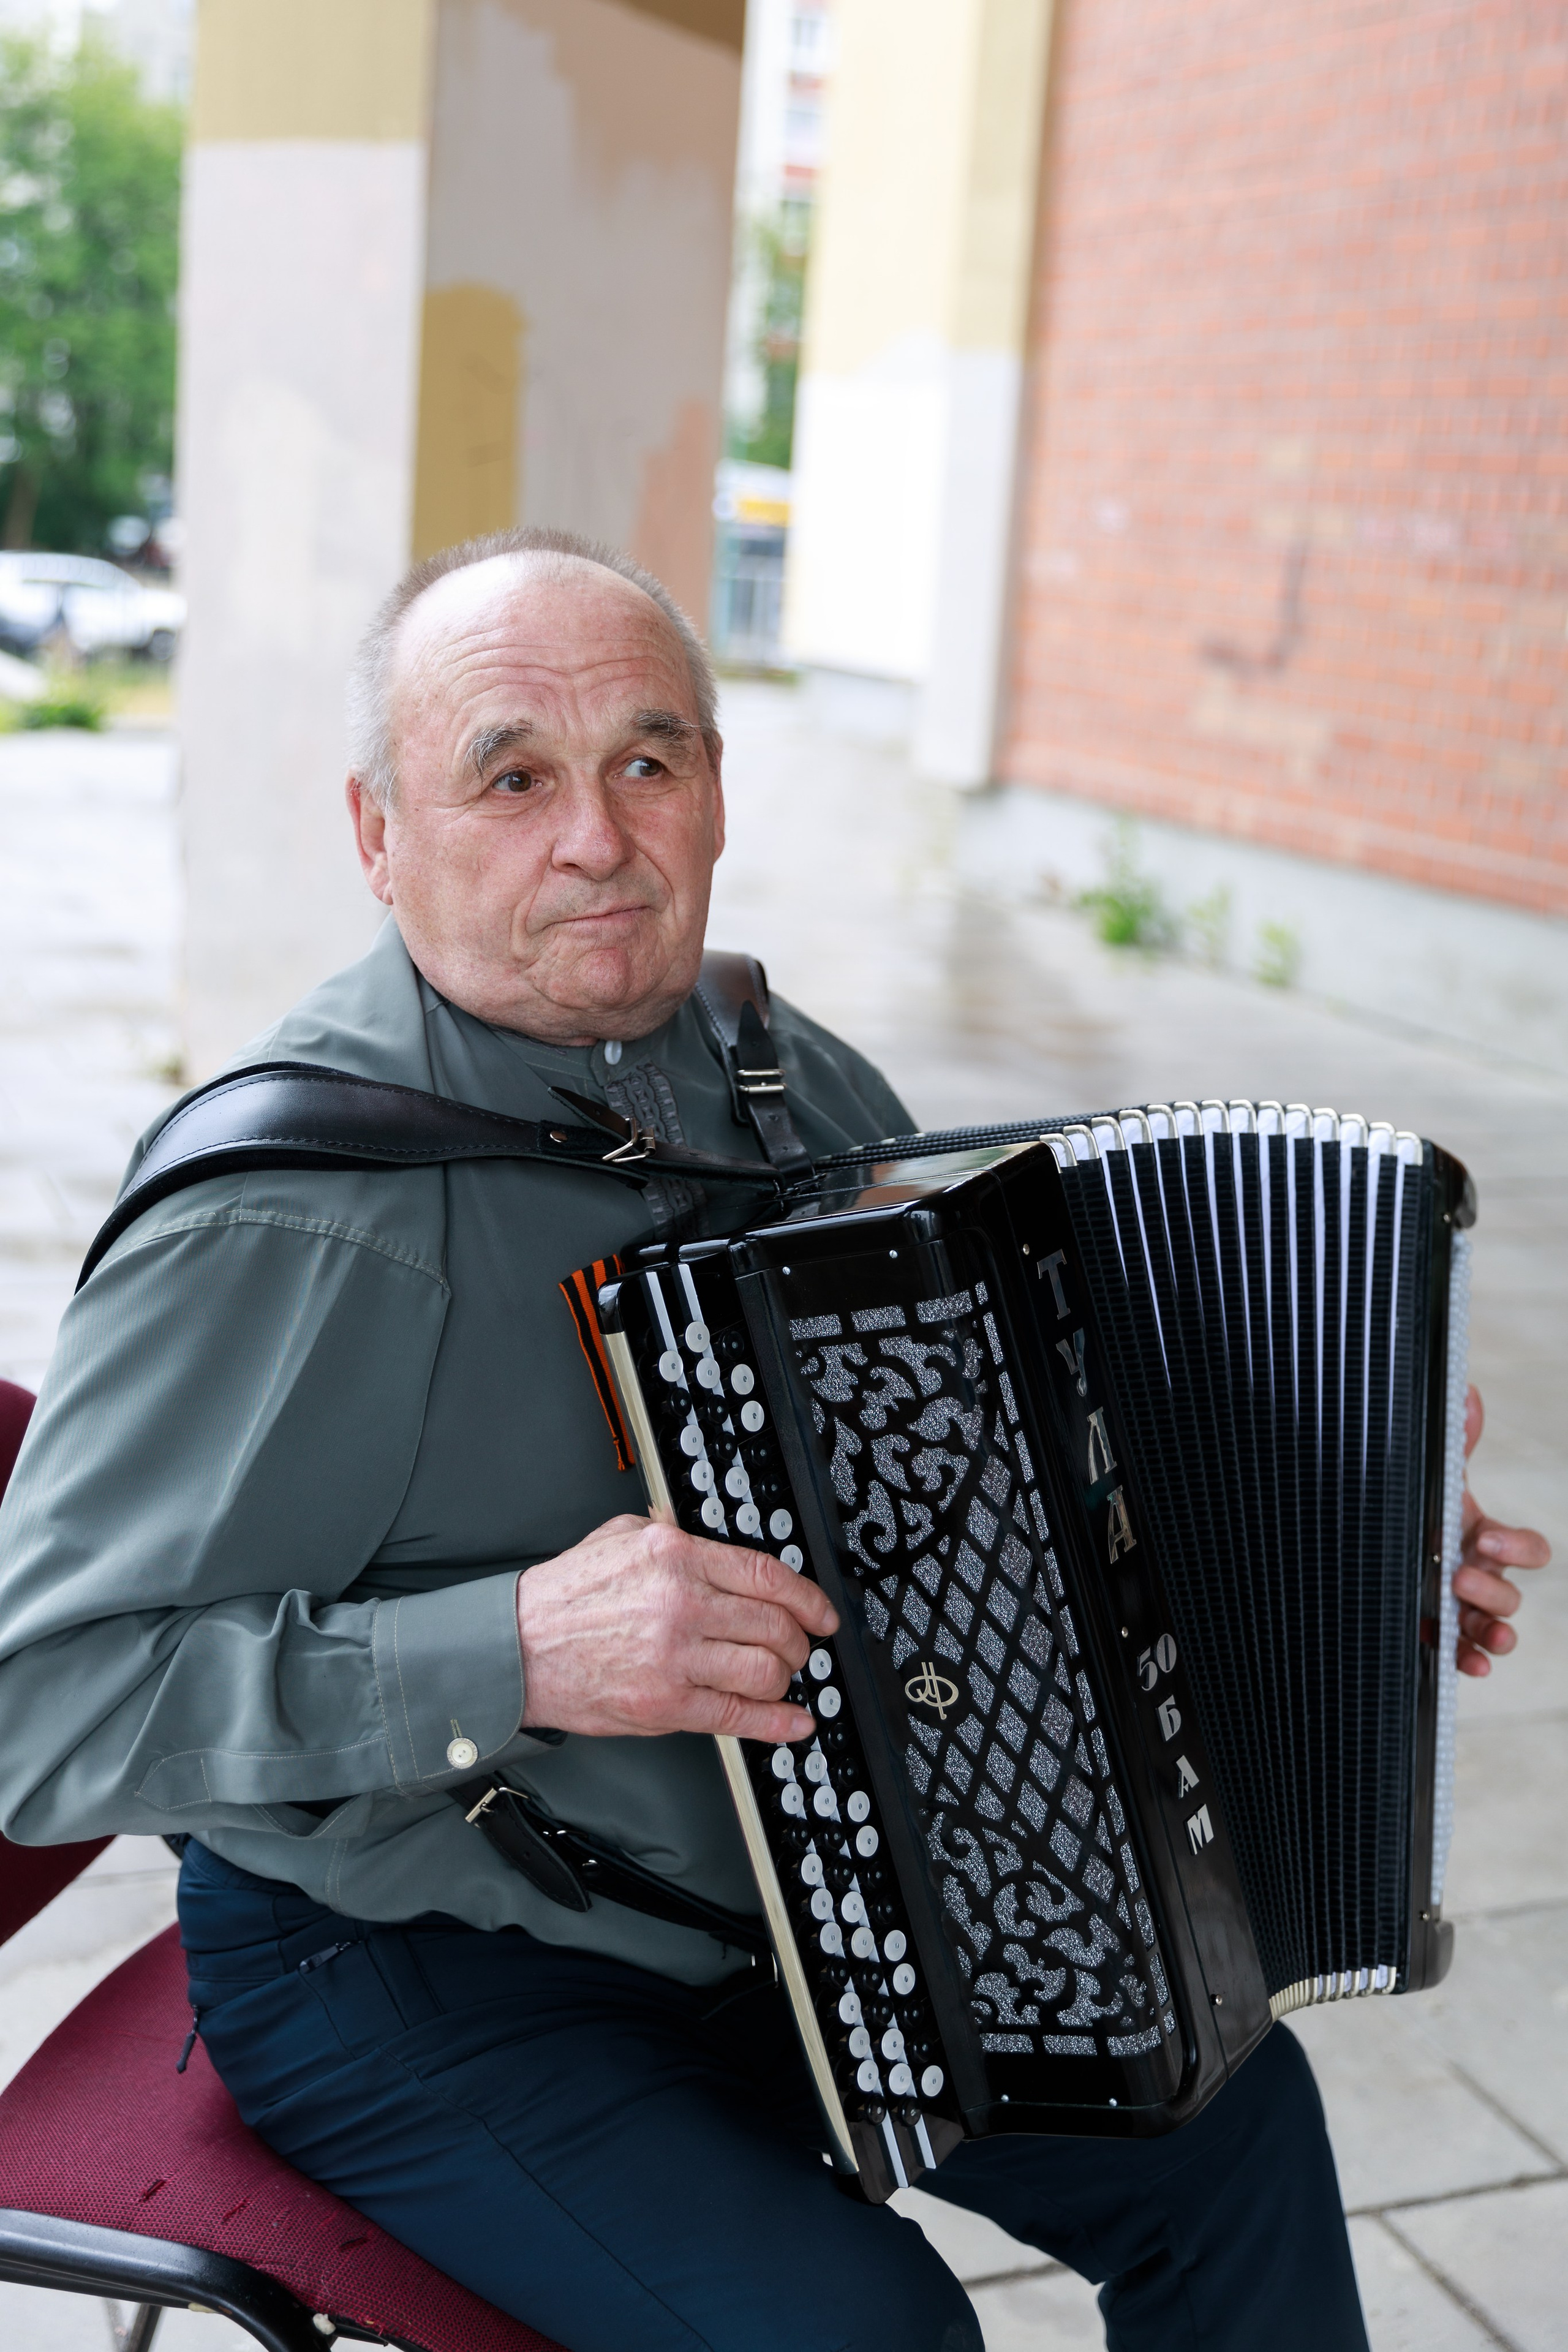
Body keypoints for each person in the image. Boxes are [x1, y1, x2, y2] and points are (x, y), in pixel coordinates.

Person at [0, 527, 1548, 2352]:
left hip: (805, 1893)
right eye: (511, 778)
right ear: (378, 835)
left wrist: (1326, 1552)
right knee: (864, 2335)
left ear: (718, 791)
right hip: (417, 1964)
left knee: (1242, 2133)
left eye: (647, 761)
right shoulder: (283, 1220)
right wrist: (512, 1650)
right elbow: (45, 1715)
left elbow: (1002, 1476)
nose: (596, 838)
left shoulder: (775, 1076)